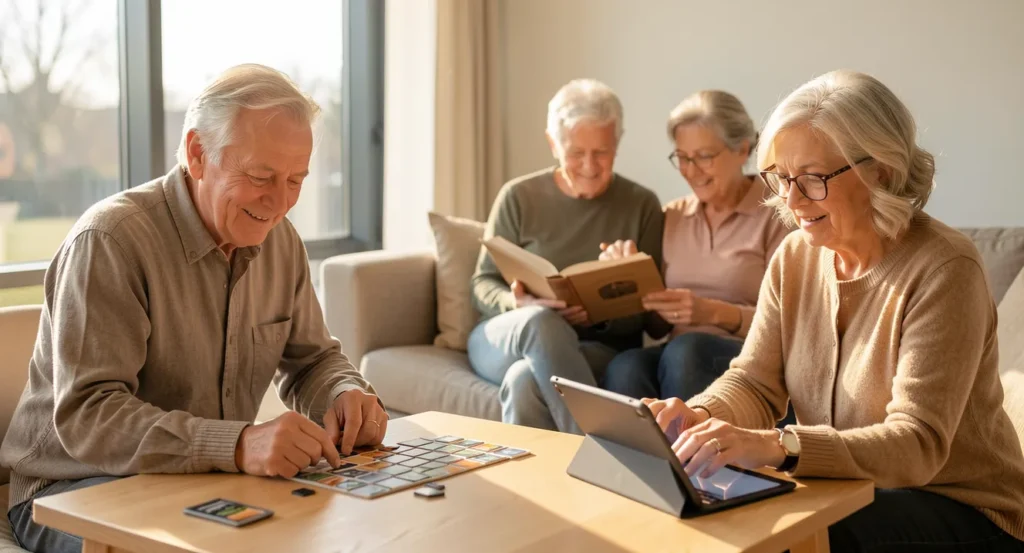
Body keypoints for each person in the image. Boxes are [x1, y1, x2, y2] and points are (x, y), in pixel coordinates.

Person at [0, 64, 387, 553]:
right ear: (198, 154)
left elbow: (312, 361)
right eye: (261, 176)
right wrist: (240, 444)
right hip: (74, 489)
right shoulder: (110, 242)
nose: (280, 202)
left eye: (296, 180)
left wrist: (343, 392)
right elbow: (89, 415)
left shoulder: (280, 241)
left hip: (207, 480)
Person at [646, 70, 1024, 551]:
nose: (792, 200)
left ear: (881, 169)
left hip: (963, 508)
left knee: (791, 529)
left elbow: (917, 445)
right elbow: (755, 382)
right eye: (782, 179)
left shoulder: (945, 267)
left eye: (813, 179)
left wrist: (779, 446)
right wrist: (696, 418)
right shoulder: (794, 258)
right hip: (853, 490)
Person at [468, 78, 664, 434]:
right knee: (540, 320)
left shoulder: (641, 205)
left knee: (523, 380)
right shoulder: (518, 196)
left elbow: (651, 322)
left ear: (617, 143)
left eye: (601, 152)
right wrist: (517, 303)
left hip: (595, 347)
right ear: (552, 143)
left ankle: (530, 487)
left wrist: (611, 300)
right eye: (576, 152)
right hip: (506, 336)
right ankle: (596, 453)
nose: (589, 165)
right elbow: (482, 282)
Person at [601, 91, 791, 410]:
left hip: (750, 356)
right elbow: (656, 327)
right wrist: (629, 276)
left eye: (703, 156)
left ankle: (698, 458)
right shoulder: (671, 216)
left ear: (742, 148)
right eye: (682, 157)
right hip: (679, 351)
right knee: (625, 366)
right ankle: (638, 462)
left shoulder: (777, 213)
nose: (691, 170)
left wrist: (711, 312)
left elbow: (789, 324)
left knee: (685, 351)